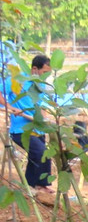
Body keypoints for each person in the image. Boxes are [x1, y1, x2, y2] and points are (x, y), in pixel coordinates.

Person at [3, 54, 53, 192]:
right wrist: (11, 107)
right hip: (21, 128)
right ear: (35, 69)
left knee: (44, 154)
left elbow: (40, 105)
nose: (45, 76)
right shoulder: (17, 80)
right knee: (39, 151)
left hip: (38, 128)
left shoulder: (40, 84)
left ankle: (41, 184)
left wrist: (45, 118)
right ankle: (29, 186)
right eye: (44, 73)